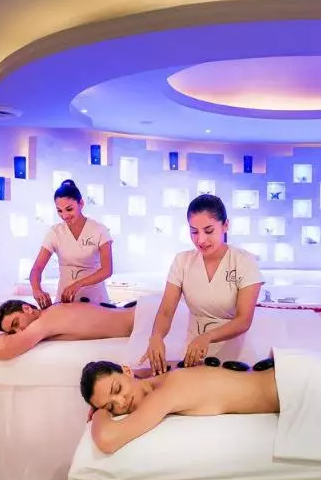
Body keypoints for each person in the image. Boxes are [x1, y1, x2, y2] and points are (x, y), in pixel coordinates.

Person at [140, 194, 265, 373]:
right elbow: (166, 310)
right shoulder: (182, 261)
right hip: (193, 358)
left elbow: (243, 320)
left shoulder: (244, 261)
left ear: (225, 225)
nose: (201, 240)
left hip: (236, 360)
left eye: (209, 231)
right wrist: (156, 337)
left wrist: (207, 337)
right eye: (194, 231)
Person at [80, 360, 279, 454]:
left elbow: (108, 440)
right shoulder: (165, 377)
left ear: (127, 371)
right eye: (111, 407)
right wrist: (103, 408)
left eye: (117, 389)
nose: (121, 402)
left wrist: (99, 413)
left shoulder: (165, 392)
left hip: (287, 384)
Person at [29, 179, 114, 308]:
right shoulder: (55, 232)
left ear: (81, 204)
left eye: (69, 209)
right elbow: (37, 268)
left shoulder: (99, 230)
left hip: (95, 300)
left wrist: (78, 284)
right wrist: (36, 290)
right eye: (59, 210)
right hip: (65, 301)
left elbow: (107, 270)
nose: (65, 215)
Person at [0, 299, 134, 360]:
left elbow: (1, 352)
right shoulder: (52, 311)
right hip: (137, 315)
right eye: (12, 332)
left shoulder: (45, 321)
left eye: (16, 323)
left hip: (140, 319)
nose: (19, 331)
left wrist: (0, 337)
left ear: (27, 308)